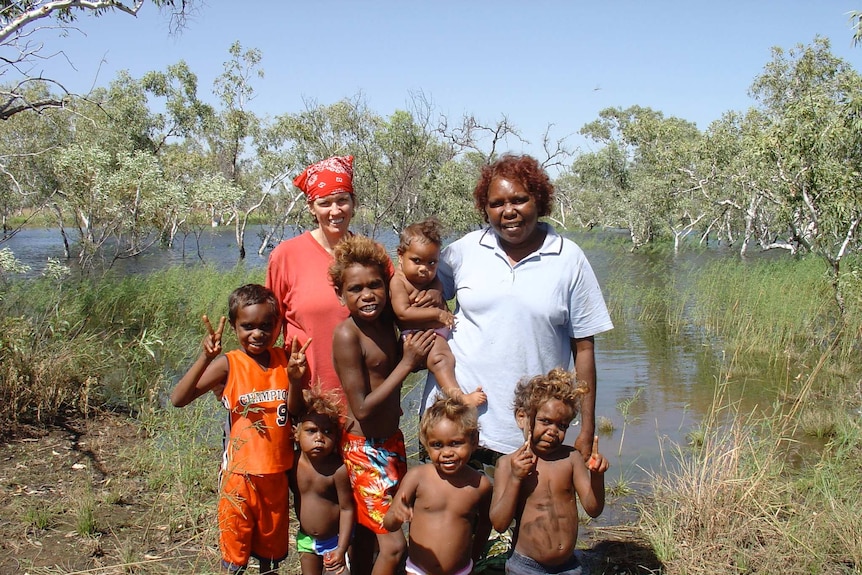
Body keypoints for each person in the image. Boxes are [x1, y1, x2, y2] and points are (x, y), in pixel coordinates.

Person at [420, 154, 613, 469]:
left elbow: (584, 349)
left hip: (527, 434)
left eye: (519, 200)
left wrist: (587, 426)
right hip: (452, 427)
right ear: (485, 207)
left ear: (538, 199)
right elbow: (419, 288)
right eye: (496, 203)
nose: (508, 211)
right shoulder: (466, 251)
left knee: (526, 518)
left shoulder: (568, 259)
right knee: (445, 517)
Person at [170, 284, 308, 574]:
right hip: (240, 478)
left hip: (276, 475)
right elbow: (179, 399)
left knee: (271, 558)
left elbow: (294, 411)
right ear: (234, 327)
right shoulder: (229, 365)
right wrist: (206, 357)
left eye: (266, 326)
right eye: (247, 326)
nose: (257, 333)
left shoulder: (284, 360)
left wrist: (295, 379)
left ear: (278, 325)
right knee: (235, 555)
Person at [329, 235, 436, 575]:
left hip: (391, 443)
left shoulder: (388, 321)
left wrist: (431, 296)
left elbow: (420, 296)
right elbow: (360, 407)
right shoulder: (348, 335)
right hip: (364, 450)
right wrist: (407, 363)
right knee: (394, 544)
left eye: (375, 285)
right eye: (355, 289)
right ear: (340, 294)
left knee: (373, 536)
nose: (367, 295)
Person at [489, 368, 609, 575]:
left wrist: (597, 476)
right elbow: (499, 524)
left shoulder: (571, 458)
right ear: (522, 417)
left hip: (569, 566)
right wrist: (516, 478)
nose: (553, 431)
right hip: (526, 567)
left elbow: (593, 509)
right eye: (545, 421)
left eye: (562, 425)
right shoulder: (508, 464)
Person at [266, 155, 363, 403]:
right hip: (308, 401)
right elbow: (268, 329)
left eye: (342, 200)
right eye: (325, 203)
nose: (335, 211)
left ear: (354, 203)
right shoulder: (285, 256)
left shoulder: (370, 254)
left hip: (365, 401)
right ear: (311, 207)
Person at [382, 396, 492, 575]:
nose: (447, 452)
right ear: (426, 444)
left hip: (461, 571)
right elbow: (389, 524)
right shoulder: (417, 477)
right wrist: (397, 515)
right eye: (437, 445)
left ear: (473, 440)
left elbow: (485, 526)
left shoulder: (480, 485)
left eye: (455, 443)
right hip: (418, 571)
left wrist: (473, 559)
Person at [390, 218, 486, 408]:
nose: (424, 269)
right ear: (400, 255)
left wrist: (436, 290)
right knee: (441, 360)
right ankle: (458, 397)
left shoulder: (428, 278)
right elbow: (403, 313)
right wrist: (437, 314)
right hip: (419, 336)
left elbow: (438, 284)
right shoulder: (398, 281)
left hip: (436, 331)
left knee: (449, 358)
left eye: (432, 263)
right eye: (416, 261)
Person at [290, 385, 355, 575]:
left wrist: (342, 548)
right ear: (296, 433)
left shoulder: (337, 469)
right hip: (305, 539)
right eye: (311, 431)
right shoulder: (292, 464)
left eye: (327, 432)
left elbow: (347, 508)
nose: (319, 438)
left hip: (335, 540)